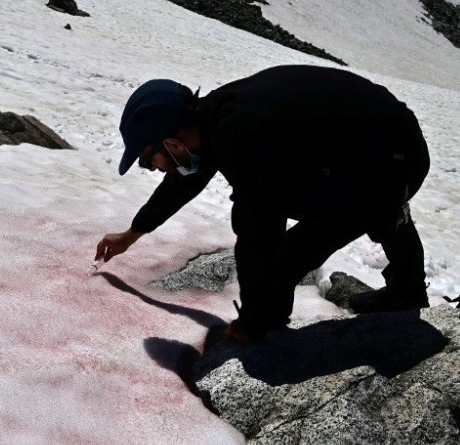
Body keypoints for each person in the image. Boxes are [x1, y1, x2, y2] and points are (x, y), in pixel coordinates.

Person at [95, 65, 431, 342]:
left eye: (147, 160)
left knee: (283, 258)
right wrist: (132, 234)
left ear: (172, 144)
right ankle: (404, 276)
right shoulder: (213, 117)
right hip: (382, 142)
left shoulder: (242, 137)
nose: (152, 168)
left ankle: (274, 324)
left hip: (393, 157)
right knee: (305, 206)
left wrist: (251, 323)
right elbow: (184, 182)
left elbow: (258, 231)